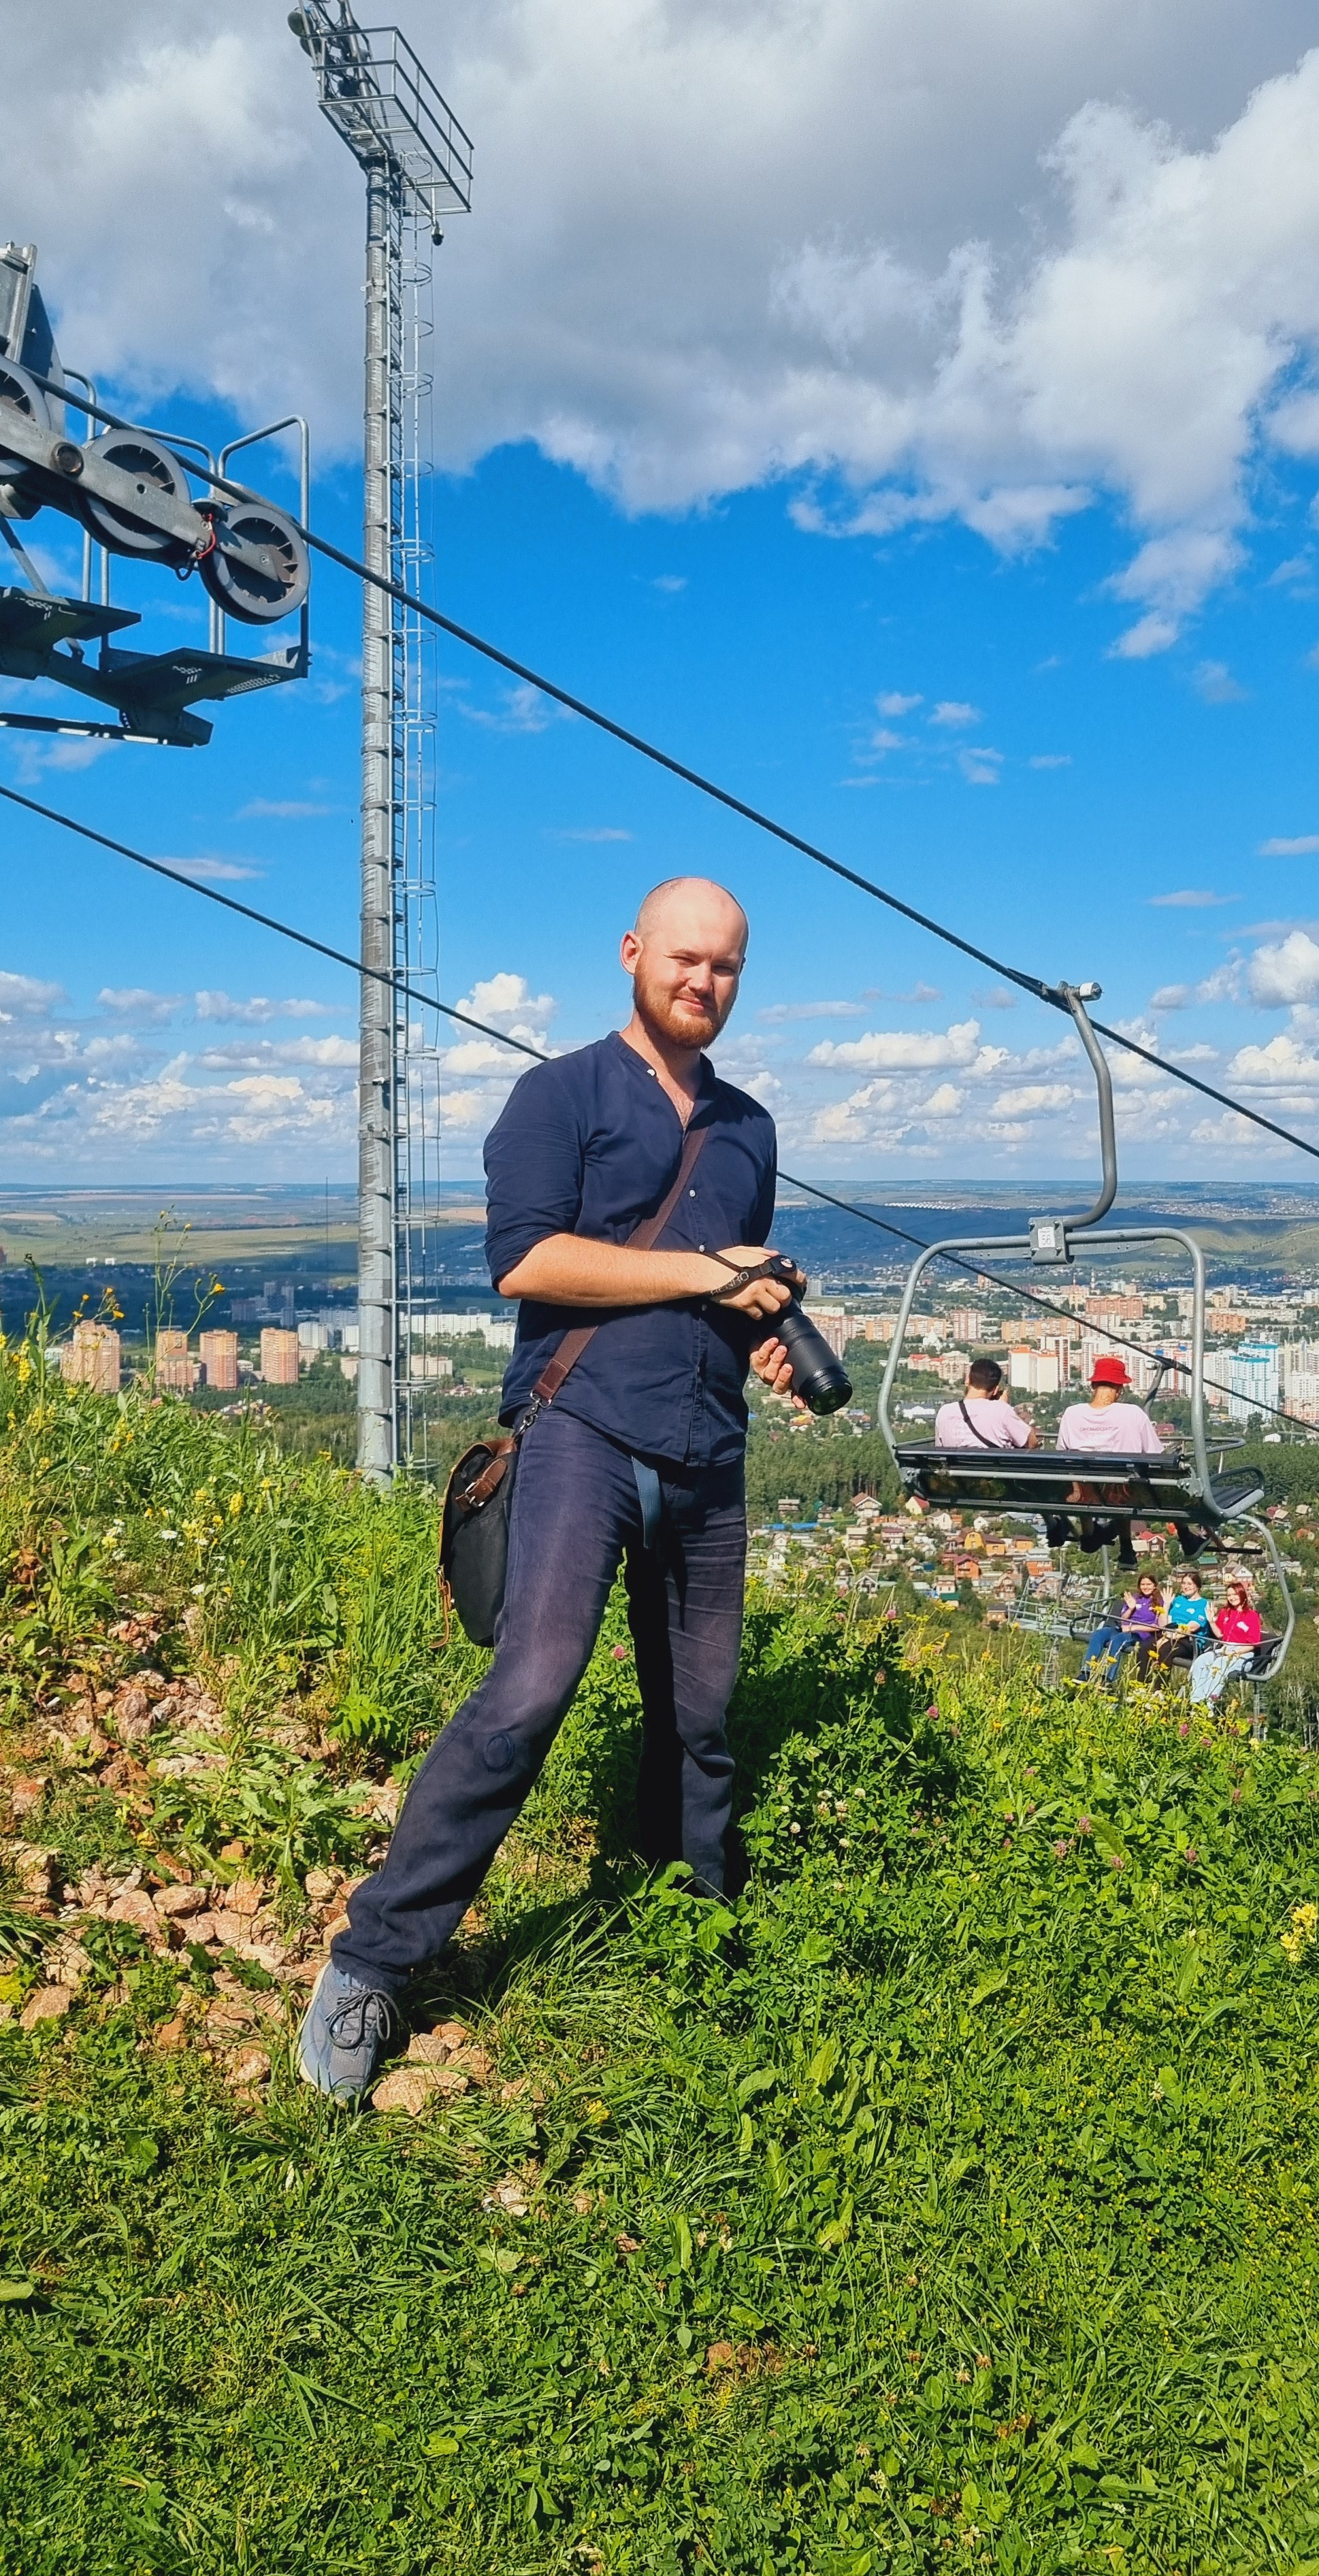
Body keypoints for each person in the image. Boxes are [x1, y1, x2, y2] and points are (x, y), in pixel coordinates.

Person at [300, 876, 799, 2100]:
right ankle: (373, 1963)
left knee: (698, 1717)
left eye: (725, 966)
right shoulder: (558, 1094)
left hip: (706, 1445)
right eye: (684, 958)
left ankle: (691, 1938)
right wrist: (705, 1269)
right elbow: (525, 1257)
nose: (703, 982)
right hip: (579, 1427)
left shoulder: (748, 1128)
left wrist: (758, 1329)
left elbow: (712, 1288)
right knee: (528, 1688)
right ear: (632, 952)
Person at [1049, 1355, 1164, 1564]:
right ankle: (1126, 1546)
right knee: (1123, 1483)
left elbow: (1063, 1457)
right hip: (1122, 1493)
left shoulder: (1071, 1414)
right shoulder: (1133, 1414)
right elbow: (1155, 1454)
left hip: (1084, 1493)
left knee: (1082, 1476)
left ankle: (1088, 1532)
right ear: (1120, 1389)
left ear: (1093, 1385)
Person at [1077, 1572, 1162, 1691]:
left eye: (1149, 1584)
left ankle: (1107, 1679)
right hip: (1122, 1628)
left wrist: (1133, 1628)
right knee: (1099, 1634)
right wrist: (1131, 1608)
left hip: (1139, 1633)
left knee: (1118, 1640)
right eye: (1143, 1584)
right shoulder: (1134, 1599)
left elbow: (1158, 1626)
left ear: (1154, 1586)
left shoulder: (1158, 1602)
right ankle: (1086, 1672)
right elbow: (1123, 1619)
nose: (1146, 1587)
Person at [934, 1357, 1040, 1450]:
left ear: (967, 1380)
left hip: (955, 1471)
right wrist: (1005, 1406)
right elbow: (1032, 1442)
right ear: (995, 1390)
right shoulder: (1002, 1411)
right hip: (993, 1472)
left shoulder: (944, 1412)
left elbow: (939, 1450)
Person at [1191, 1582, 1262, 1706]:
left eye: (1235, 1594)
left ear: (1242, 1595)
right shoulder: (1226, 1612)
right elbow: (1220, 1635)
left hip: (1243, 1653)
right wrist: (1211, 1622)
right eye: (1229, 1595)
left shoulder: (1251, 1616)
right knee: (1201, 1661)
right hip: (1225, 1648)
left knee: (1220, 1664)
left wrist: (1234, 1652)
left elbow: (1253, 1644)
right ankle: (1197, 1699)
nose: (1232, 1597)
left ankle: (1209, 1703)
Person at [1156, 1568, 1211, 1674]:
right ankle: (1143, 1684)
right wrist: (1166, 1605)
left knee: (1165, 1650)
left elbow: (1192, 1628)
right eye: (1184, 1583)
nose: (1186, 1587)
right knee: (1145, 1646)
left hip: (1190, 1641)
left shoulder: (1203, 1604)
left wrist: (1169, 1637)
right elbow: (1163, 1625)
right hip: (1170, 1634)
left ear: (1197, 1586)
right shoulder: (1178, 1600)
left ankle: (1159, 1688)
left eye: (1190, 1584)